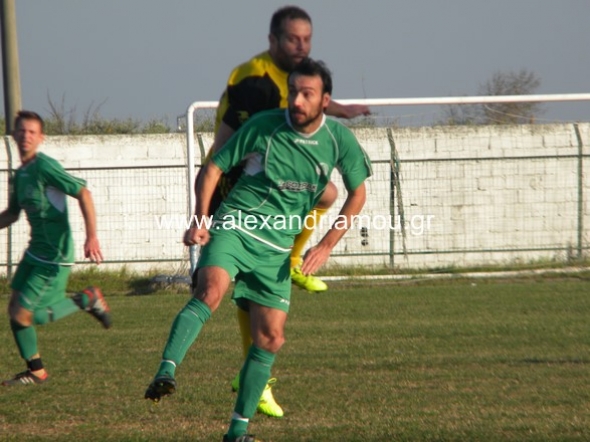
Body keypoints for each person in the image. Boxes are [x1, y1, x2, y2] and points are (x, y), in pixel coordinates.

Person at [145, 58, 372, 442]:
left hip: (277, 250)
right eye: (293, 92)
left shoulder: (338, 141)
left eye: (307, 94)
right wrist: (201, 218)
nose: (296, 100)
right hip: (237, 227)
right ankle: (166, 369)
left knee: (270, 339)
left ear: (325, 100)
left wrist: (326, 245)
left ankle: (237, 432)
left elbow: (358, 194)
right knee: (211, 290)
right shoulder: (263, 127)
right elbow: (214, 168)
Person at [203, 5, 371, 417]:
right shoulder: (253, 78)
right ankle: (256, 381)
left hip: (278, 189)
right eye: (293, 39)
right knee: (245, 296)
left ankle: (293, 259)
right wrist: (210, 200)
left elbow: (306, 108)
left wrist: (339, 111)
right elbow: (235, 134)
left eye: (307, 38)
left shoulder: (297, 79)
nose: (302, 45)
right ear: (273, 40)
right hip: (243, 184)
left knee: (328, 192)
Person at [0, 110, 111, 386]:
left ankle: (86, 298)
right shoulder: (20, 174)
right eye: (21, 131)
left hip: (54, 256)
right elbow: (12, 214)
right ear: (13, 134)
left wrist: (92, 236)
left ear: (41, 138)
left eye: (32, 132)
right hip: (34, 253)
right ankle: (35, 370)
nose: (25, 136)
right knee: (14, 308)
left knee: (25, 315)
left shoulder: (44, 167)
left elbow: (82, 192)